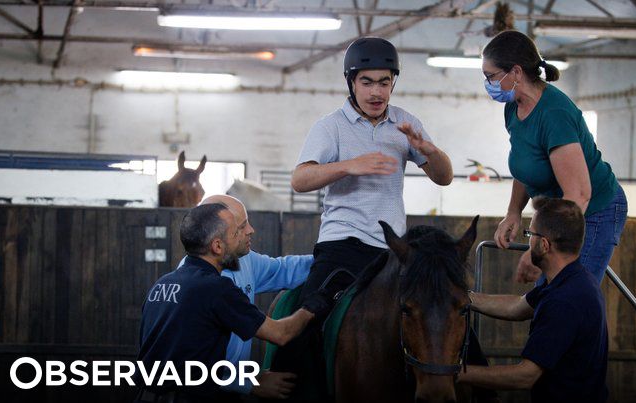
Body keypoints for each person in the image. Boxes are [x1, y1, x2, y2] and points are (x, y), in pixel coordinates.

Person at [273, 35, 454, 393]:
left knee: (445, 307)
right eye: (367, 82)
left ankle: (474, 385)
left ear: (393, 83)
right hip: (342, 245)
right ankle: (293, 391)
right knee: (308, 319)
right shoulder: (330, 126)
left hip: (393, 252)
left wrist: (428, 149)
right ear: (351, 83)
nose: (376, 92)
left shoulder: (406, 123)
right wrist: (349, 165)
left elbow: (444, 177)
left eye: (384, 82)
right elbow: (300, 179)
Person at [136, 203, 329, 403]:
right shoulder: (217, 289)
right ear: (218, 246)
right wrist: (313, 306)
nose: (247, 232)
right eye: (237, 231)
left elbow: (185, 358)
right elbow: (280, 334)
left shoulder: (162, 284)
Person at [482, 30, 628, 285]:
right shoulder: (514, 108)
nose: (488, 84)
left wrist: (538, 249)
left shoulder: (554, 114)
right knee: (549, 295)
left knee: (569, 292)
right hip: (559, 214)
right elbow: (525, 166)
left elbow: (578, 194)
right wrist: (513, 212)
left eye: (491, 76)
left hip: (591, 210)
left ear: (516, 72)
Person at [459, 197, 609, 403]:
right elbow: (517, 306)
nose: (528, 240)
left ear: (545, 244)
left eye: (530, 234)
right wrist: (463, 298)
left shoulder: (565, 301)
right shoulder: (572, 280)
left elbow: (525, 376)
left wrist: (454, 372)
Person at [183, 195, 314, 399]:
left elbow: (283, 270)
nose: (250, 230)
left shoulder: (243, 261)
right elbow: (186, 365)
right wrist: (248, 383)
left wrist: (327, 260)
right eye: (240, 227)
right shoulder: (204, 287)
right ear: (218, 241)